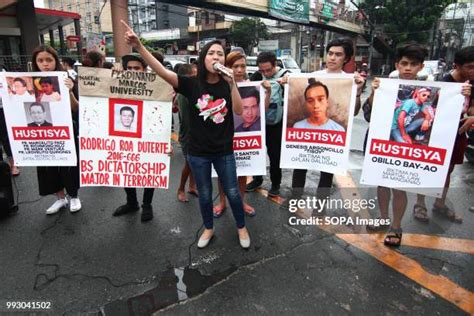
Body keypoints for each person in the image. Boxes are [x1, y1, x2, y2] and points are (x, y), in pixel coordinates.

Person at [122, 20, 251, 248]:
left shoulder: (227, 84)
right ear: (203, 58)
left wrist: (233, 84)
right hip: (198, 152)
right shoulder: (191, 84)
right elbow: (161, 71)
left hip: (224, 151)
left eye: (220, 54)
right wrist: (138, 46)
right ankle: (209, 229)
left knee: (232, 192)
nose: (216, 57)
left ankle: (241, 228)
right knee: (203, 193)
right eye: (211, 53)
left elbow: (239, 110)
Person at [363, 43, 469, 246]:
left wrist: (460, 95)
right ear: (397, 64)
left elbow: (446, 117)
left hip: (408, 147)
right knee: (382, 183)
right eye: (404, 63)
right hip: (383, 144)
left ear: (421, 67)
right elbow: (369, 115)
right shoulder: (383, 86)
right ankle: (383, 218)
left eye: (413, 64)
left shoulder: (433, 90)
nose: (408, 68)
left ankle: (396, 227)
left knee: (399, 187)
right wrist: (374, 93)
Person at [291, 38, 364, 208]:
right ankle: (295, 198)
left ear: (346, 59)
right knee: (300, 166)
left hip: (329, 139)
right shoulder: (315, 76)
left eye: (338, 55)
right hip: (308, 137)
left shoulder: (351, 80)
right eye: (330, 53)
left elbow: (353, 112)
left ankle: (320, 205)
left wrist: (358, 92)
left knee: (327, 171)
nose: (332, 58)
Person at [413, 46, 474, 223]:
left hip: (458, 133)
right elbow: (426, 109)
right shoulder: (443, 83)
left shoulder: (472, 83)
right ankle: (420, 205)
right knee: (428, 168)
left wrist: (471, 117)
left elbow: (471, 108)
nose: (473, 71)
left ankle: (440, 204)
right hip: (436, 133)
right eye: (470, 66)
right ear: (457, 66)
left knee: (448, 170)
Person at [213, 51, 270, 217]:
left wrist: (267, 93)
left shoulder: (252, 86)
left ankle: (241, 201)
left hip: (245, 138)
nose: (239, 70)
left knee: (244, 170)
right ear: (228, 67)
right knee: (221, 171)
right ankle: (222, 201)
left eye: (243, 66)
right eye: (235, 66)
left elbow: (262, 112)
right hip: (223, 137)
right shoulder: (219, 86)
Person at [31, 45, 81, 214]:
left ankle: (73, 196)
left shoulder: (66, 79)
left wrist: (69, 91)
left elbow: (76, 108)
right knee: (48, 165)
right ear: (35, 62)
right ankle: (60, 198)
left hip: (65, 130)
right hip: (42, 131)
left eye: (49, 60)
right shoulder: (30, 81)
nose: (45, 64)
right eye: (40, 60)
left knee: (69, 163)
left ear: (56, 61)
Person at [112, 51, 155, 222]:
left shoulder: (156, 88)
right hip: (124, 136)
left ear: (145, 70)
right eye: (128, 68)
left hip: (149, 137)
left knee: (150, 170)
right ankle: (131, 203)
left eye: (136, 68)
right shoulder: (116, 87)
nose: (132, 71)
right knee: (125, 168)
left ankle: (147, 204)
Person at [245, 51, 287, 197]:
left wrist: (289, 83)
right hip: (257, 122)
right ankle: (257, 179)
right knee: (256, 152)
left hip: (276, 123)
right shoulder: (257, 76)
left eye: (268, 70)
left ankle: (276, 184)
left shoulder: (286, 76)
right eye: (262, 70)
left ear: (275, 65)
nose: (265, 73)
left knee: (275, 155)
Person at [175, 64, 198, 203]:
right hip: (189, 135)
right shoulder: (184, 94)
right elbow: (188, 119)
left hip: (196, 135)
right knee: (190, 163)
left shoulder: (193, 90)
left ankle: (192, 186)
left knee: (194, 164)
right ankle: (181, 189)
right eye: (194, 76)